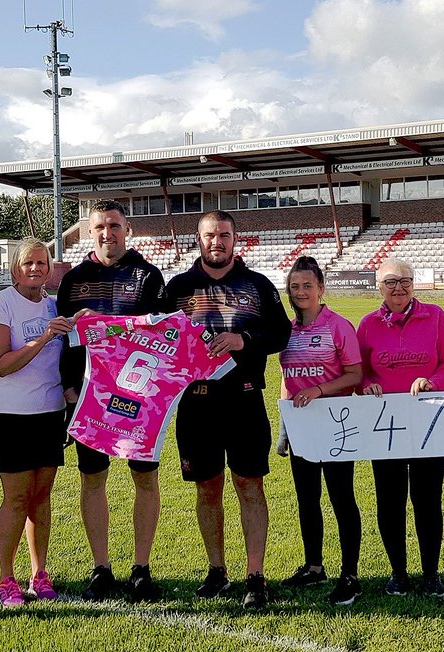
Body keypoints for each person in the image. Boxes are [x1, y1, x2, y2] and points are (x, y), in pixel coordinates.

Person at [165, 210, 291, 610]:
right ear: (197, 240)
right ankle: (217, 570)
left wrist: (244, 339)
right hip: (196, 405)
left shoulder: (257, 285)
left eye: (223, 235)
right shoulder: (178, 287)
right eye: (209, 235)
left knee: (250, 485)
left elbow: (281, 332)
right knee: (207, 488)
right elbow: (157, 335)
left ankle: (256, 574)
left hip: (244, 400)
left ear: (236, 239)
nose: (216, 241)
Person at [55, 200, 168, 602]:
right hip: (89, 398)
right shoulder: (73, 280)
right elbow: (65, 342)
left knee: (145, 478)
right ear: (90, 230)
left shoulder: (148, 276)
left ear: (128, 229)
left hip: (140, 398)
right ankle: (101, 568)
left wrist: (107, 324)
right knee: (92, 479)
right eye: (100, 226)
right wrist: (69, 388)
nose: (108, 233)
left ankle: (141, 568)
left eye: (115, 226)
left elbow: (161, 336)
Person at [357, 258, 444, 597]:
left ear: (414, 284)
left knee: (427, 499)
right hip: (384, 424)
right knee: (389, 500)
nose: (398, 287)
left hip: (429, 421)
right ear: (379, 287)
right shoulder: (369, 324)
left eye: (405, 280)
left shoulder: (435, 316)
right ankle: (398, 573)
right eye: (390, 281)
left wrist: (432, 381)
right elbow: (358, 369)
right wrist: (368, 383)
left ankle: (431, 573)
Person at [0, 238, 72, 607]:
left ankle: (39, 573)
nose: (35, 269)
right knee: (17, 498)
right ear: (15, 268)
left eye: (41, 263)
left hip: (49, 413)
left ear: (49, 267)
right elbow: (2, 364)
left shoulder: (53, 305)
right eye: (28, 263)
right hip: (8, 415)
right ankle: (5, 578)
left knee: (42, 497)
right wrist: (46, 335)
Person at [275, 256, 364, 605]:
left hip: (336, 423)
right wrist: (284, 428)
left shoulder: (338, 326)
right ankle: (314, 567)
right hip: (301, 426)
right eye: (295, 287)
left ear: (321, 288)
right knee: (307, 499)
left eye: (307, 286)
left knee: (342, 498)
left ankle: (350, 574)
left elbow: (355, 375)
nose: (300, 292)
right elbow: (288, 380)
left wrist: (320, 391)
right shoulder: (288, 330)